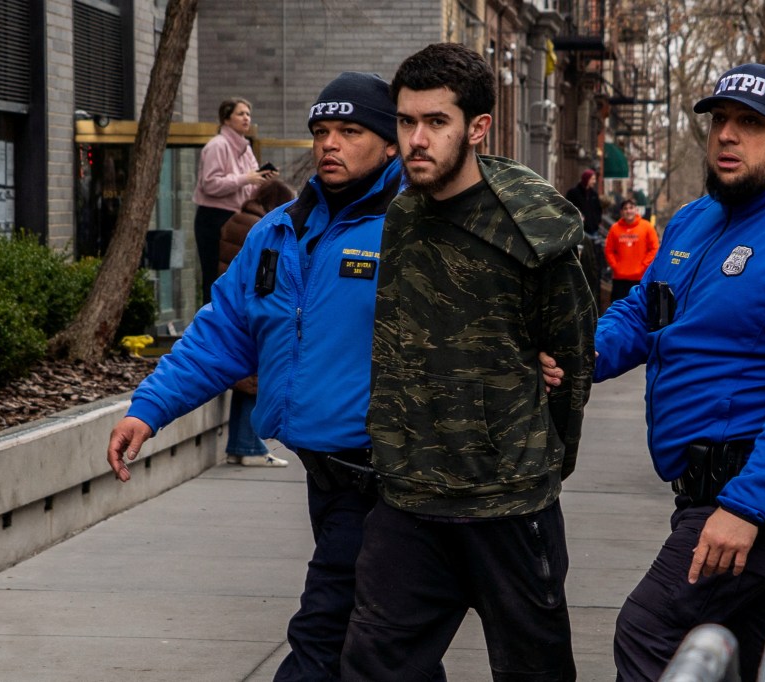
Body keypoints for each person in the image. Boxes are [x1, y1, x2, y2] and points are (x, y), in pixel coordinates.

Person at [544, 63, 765, 681]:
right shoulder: (698, 219)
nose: (727, 135)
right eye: (720, 120)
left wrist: (745, 508)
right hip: (707, 481)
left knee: (649, 631)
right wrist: (577, 356)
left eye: (751, 123)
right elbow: (647, 311)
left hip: (763, 486)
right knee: (754, 650)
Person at [106, 72, 408, 681]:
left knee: (325, 638)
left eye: (351, 131)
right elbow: (223, 333)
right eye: (322, 131)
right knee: (385, 648)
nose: (331, 144)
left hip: (387, 479)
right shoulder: (277, 232)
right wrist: (148, 408)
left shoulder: (415, 229)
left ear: (391, 144)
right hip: (326, 473)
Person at [339, 43, 596, 681]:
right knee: (373, 666)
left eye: (435, 122)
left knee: (534, 671)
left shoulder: (533, 231)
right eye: (405, 121)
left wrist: (533, 454)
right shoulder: (400, 215)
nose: (415, 139)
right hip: (408, 496)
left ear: (477, 128)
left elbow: (572, 365)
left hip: (506, 503)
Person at [217, 178, 296, 467]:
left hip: (238, 307)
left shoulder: (238, 221)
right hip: (251, 311)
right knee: (252, 381)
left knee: (245, 382)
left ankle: (243, 445)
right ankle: (250, 447)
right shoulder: (260, 227)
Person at [192, 97, 278, 304]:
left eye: (248, 114)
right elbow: (209, 184)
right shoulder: (217, 146)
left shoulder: (245, 147)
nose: (246, 118)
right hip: (215, 217)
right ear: (226, 118)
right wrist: (245, 178)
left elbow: (250, 183)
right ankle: (212, 329)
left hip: (238, 218)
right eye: (241, 114)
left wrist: (262, 179)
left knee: (238, 275)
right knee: (215, 276)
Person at [604, 198, 659, 303]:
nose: (628, 211)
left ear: (636, 210)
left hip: (640, 278)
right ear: (621, 212)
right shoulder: (614, 229)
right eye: (625, 208)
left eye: (631, 208)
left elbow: (654, 248)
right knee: (618, 308)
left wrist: (643, 266)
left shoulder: (647, 227)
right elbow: (609, 250)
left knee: (639, 309)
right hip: (620, 279)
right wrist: (616, 266)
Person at [565, 168, 604, 304]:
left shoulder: (593, 194)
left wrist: (596, 221)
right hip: (581, 231)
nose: (594, 181)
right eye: (592, 178)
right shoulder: (574, 193)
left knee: (593, 263)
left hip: (593, 231)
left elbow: (598, 210)